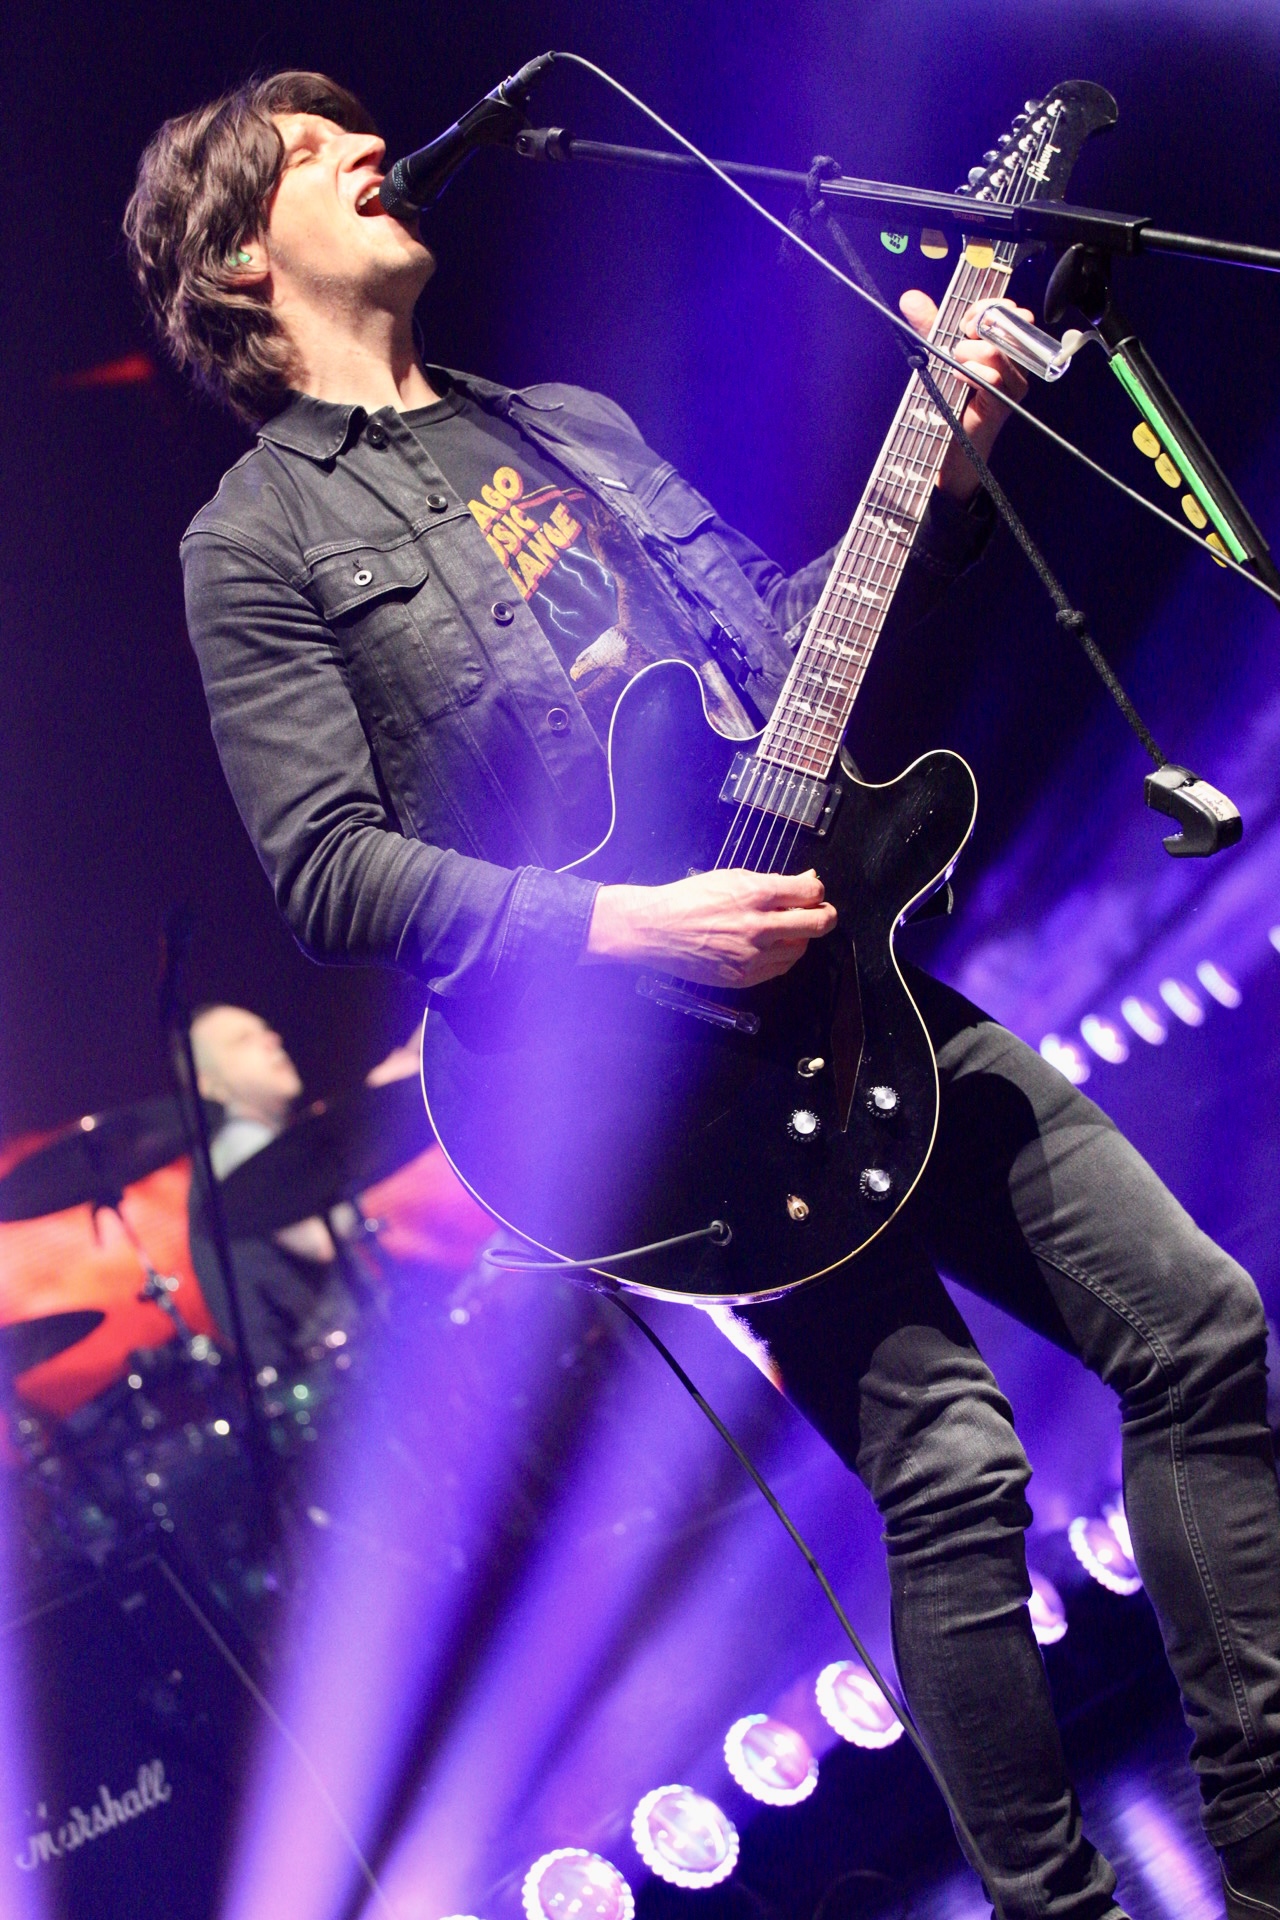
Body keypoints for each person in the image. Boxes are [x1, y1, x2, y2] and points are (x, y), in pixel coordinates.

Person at [124, 71, 1280, 1920]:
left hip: (850, 969)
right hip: (658, 1092)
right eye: (312, 153)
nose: (370, 147)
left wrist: (946, 460)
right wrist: (625, 931)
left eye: (363, 126)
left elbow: (776, 635)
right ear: (239, 260)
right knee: (954, 1468)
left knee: (1199, 1329)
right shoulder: (256, 540)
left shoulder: (561, 426)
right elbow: (330, 870)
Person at [187, 1003, 360, 1374]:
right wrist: (374, 1116)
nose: (272, 1040)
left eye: (265, 1030)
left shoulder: (253, 1141)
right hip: (321, 1372)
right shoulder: (238, 1145)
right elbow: (319, 1241)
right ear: (209, 1085)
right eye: (242, 1040)